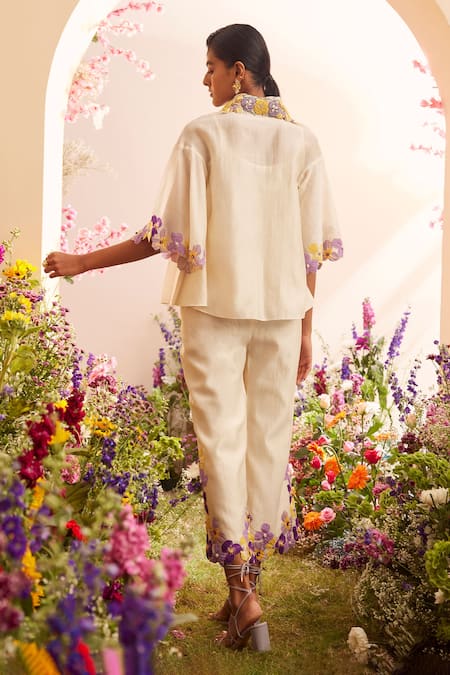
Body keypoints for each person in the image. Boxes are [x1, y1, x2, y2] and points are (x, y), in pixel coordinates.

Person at [44, 23, 343, 652]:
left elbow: (163, 235)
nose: (204, 78)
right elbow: (310, 251)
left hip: (213, 311)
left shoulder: (203, 134)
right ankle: (244, 596)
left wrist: (82, 262)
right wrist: (307, 330)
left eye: (211, 66)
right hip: (283, 316)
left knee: (223, 443)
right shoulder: (304, 142)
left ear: (239, 71)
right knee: (267, 442)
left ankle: (246, 602)